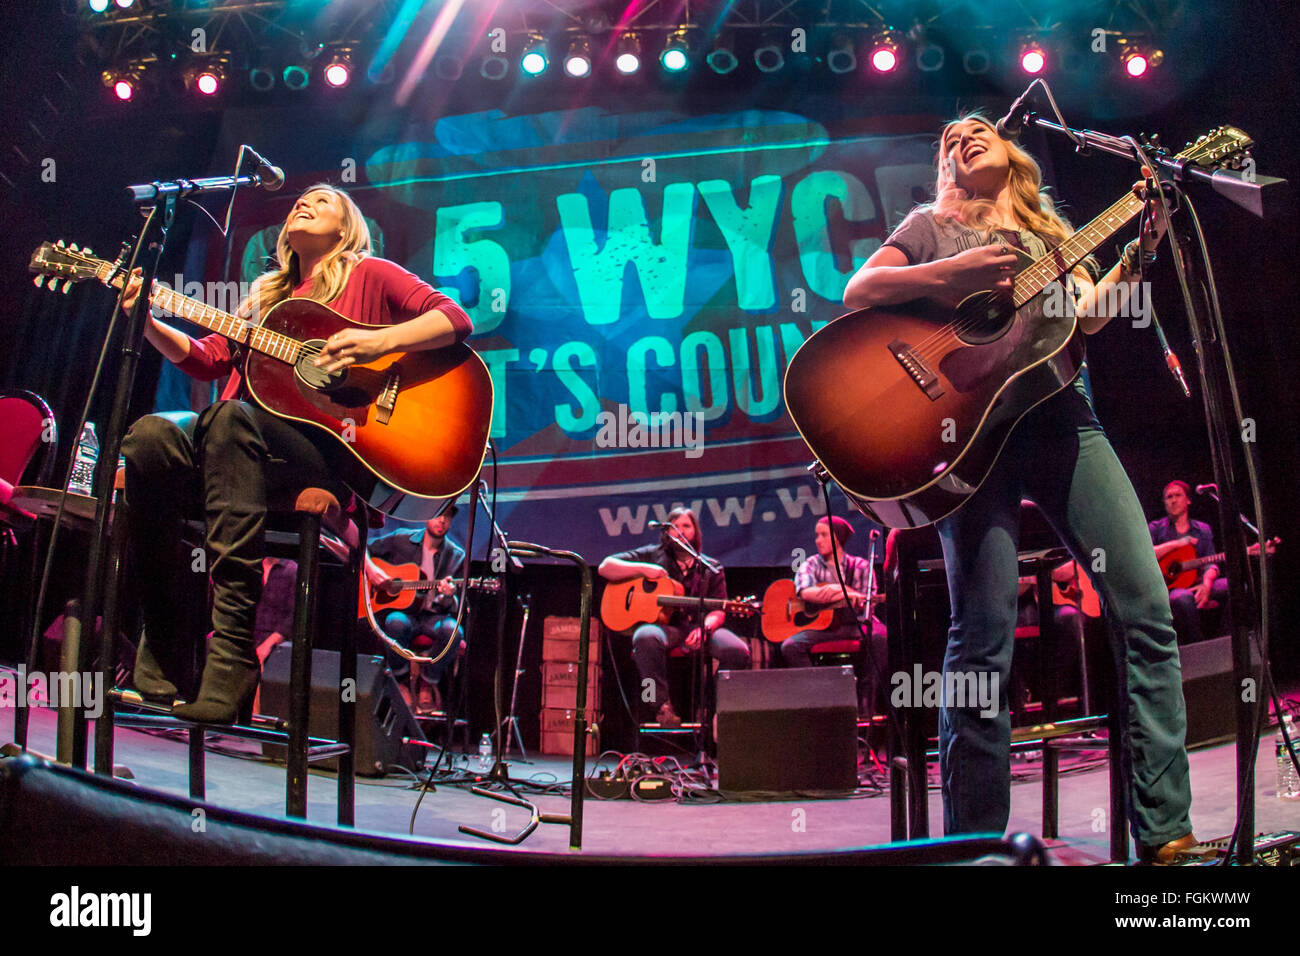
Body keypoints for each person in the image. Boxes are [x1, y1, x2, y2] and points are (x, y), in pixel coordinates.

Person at [842, 113, 1206, 862]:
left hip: (1064, 421)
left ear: (1010, 152)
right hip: (968, 439)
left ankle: (1166, 835)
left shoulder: (1048, 236)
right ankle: (977, 849)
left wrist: (1138, 256)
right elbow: (861, 288)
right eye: (948, 140)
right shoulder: (930, 225)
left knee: (1145, 609)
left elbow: (1088, 322)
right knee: (982, 642)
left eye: (976, 130)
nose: (961, 138)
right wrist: (948, 275)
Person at [120, 184, 472, 724]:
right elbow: (211, 359)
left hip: (318, 457)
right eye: (299, 201)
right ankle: (163, 653)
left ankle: (233, 655)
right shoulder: (265, 296)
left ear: (347, 226)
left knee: (228, 419)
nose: (303, 203)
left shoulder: (369, 275)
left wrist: (377, 343)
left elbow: (453, 319)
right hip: (234, 446)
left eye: (322, 200)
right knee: (149, 438)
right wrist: (147, 323)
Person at [598, 507, 750, 727]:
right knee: (644, 636)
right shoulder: (652, 555)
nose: (680, 531)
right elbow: (605, 567)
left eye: (686, 526)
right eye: (674, 527)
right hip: (668, 628)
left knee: (737, 650)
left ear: (696, 532)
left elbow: (718, 610)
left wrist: (705, 629)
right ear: (666, 533)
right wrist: (644, 570)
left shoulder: (711, 568)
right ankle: (660, 706)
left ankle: (715, 710)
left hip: (701, 628)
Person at [784, 516, 888, 717]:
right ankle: (819, 699)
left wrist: (842, 592)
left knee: (881, 638)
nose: (818, 540)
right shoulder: (810, 565)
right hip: (823, 629)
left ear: (838, 538)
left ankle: (867, 702)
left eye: (824, 535)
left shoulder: (861, 566)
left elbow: (867, 603)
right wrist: (839, 591)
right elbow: (805, 592)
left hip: (854, 625)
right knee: (790, 646)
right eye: (817, 535)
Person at [366, 506, 466, 713]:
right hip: (405, 614)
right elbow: (363, 548)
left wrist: (448, 596)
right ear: (426, 517)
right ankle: (400, 680)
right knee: (395, 622)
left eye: (447, 518)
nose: (442, 522)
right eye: (439, 516)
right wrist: (372, 570)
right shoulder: (401, 539)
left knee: (454, 631)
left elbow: (456, 605)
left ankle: (428, 680)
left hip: (433, 616)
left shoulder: (456, 555)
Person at [1149, 480, 1229, 645]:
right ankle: (1198, 647)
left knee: (1232, 586)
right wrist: (1179, 543)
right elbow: (1147, 554)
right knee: (1183, 599)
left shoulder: (1202, 529)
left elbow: (1210, 562)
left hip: (1199, 583)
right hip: (1171, 588)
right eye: (1168, 497)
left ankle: (1226, 642)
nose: (1173, 500)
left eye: (1178, 495)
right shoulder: (1156, 528)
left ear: (1188, 500)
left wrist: (1206, 585)